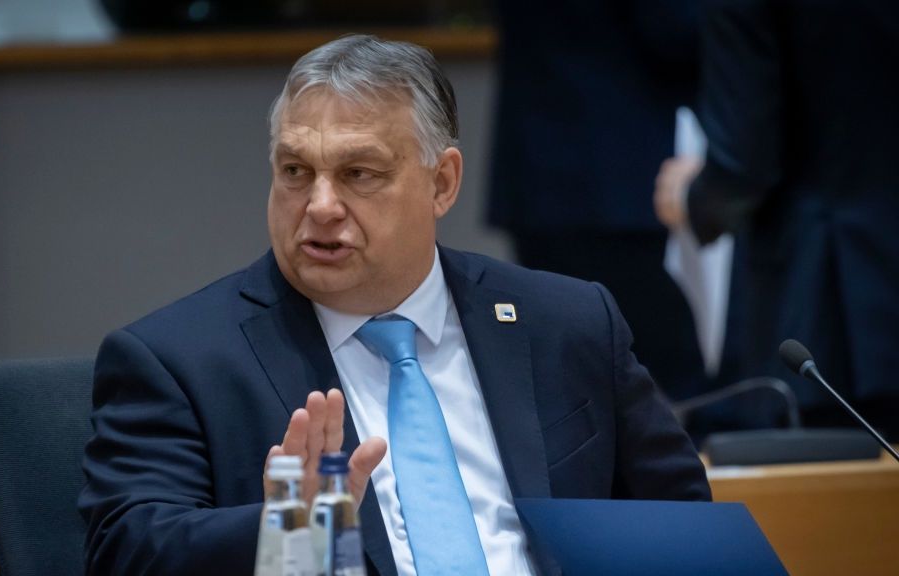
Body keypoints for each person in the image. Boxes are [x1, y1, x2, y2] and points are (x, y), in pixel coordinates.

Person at [79, 35, 710, 576]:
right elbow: (124, 554)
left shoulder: (566, 323)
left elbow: (684, 532)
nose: (320, 205)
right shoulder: (181, 359)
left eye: (359, 174)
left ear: (442, 183)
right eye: (295, 171)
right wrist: (289, 531)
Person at [653, 0, 899, 436]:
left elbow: (744, 162)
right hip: (854, 288)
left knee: (837, 496)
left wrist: (691, 197)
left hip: (832, 298)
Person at [488, 0, 710, 404]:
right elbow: (677, 32)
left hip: (537, 163)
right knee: (683, 373)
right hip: (620, 164)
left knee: (564, 366)